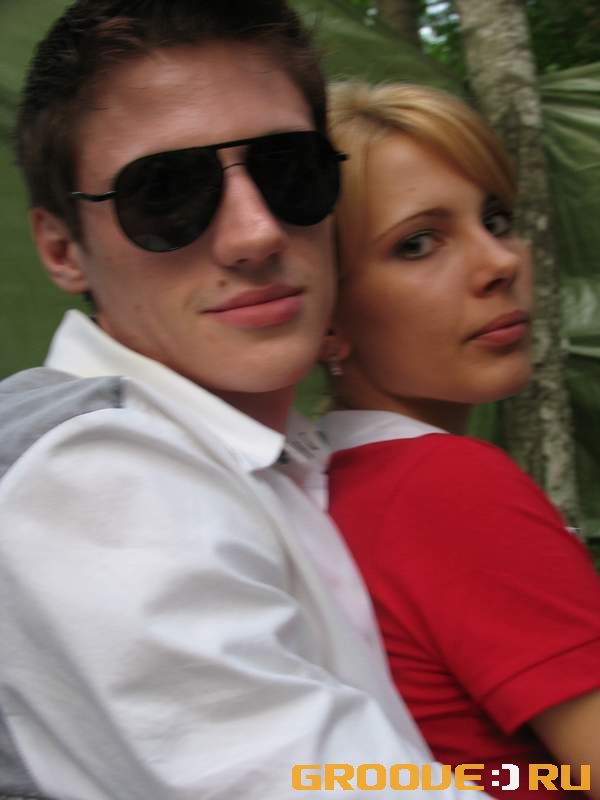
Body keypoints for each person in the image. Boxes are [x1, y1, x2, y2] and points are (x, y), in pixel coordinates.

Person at [0, 7, 488, 799]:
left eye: (290, 170)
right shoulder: (90, 474)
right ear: (62, 249)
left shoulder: (274, 452)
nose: (255, 234)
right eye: (165, 194)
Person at [321, 81, 600, 800]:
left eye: (495, 218)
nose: (499, 262)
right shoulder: (444, 485)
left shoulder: (330, 486)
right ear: (326, 313)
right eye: (417, 243)